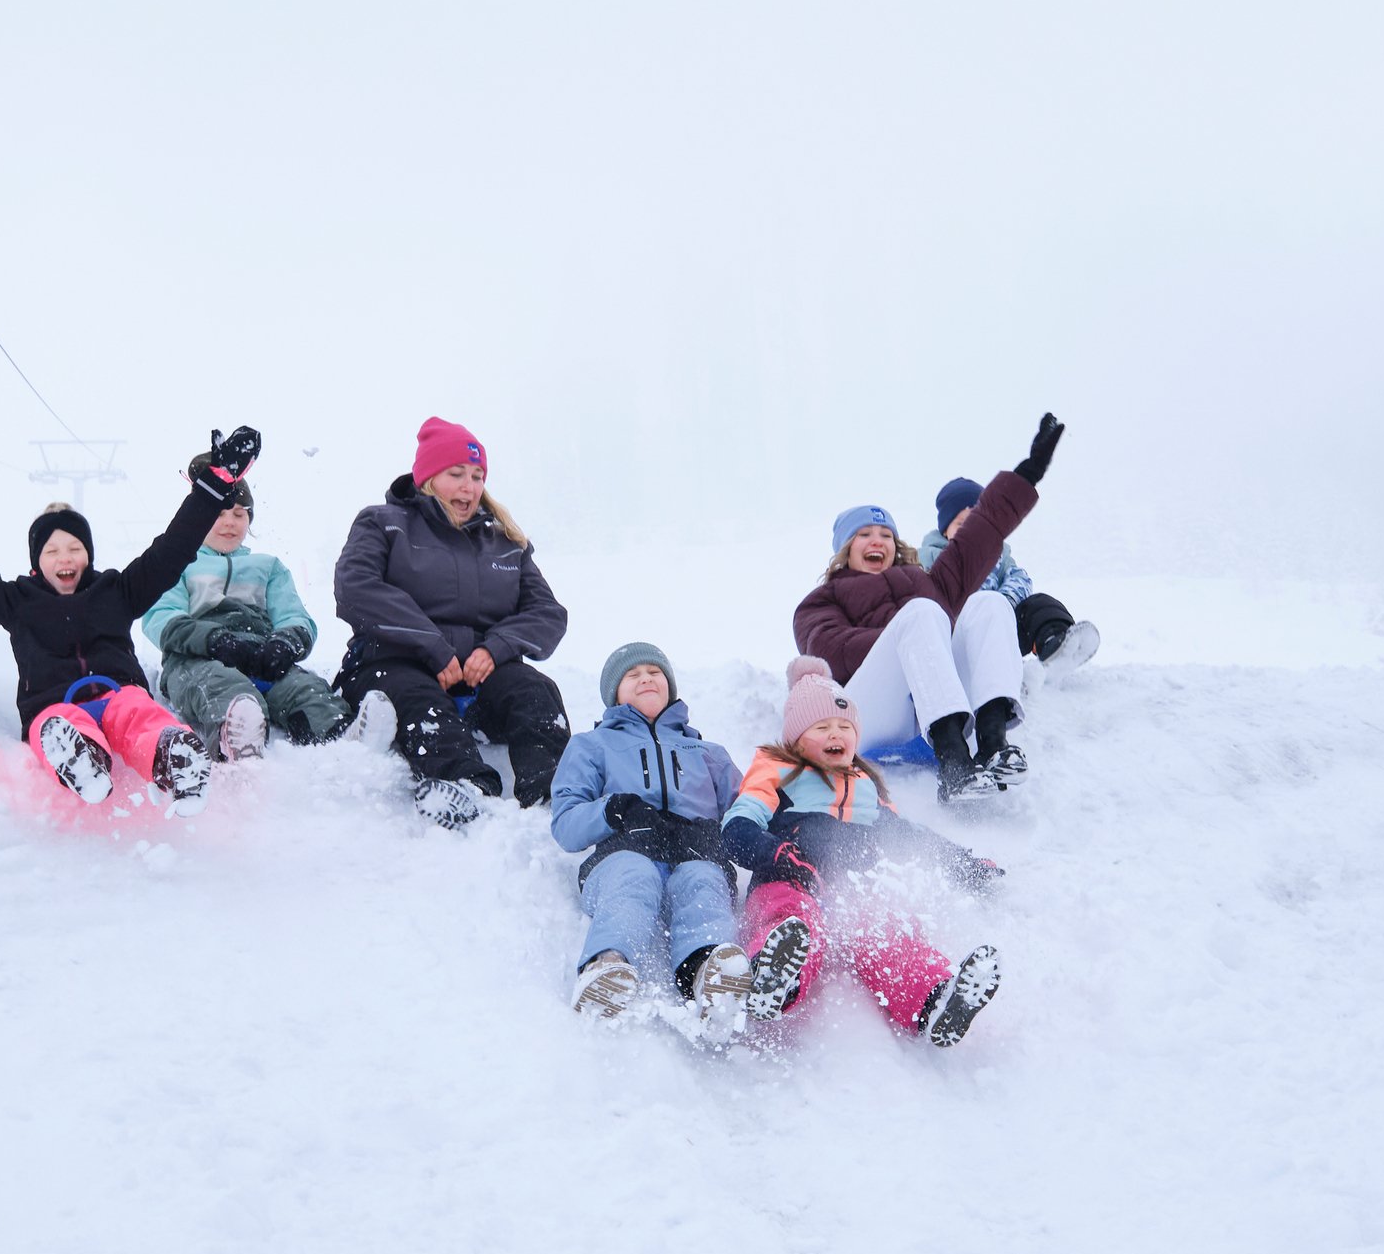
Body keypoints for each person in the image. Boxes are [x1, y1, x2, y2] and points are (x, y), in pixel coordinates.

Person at [0, 429, 260, 803]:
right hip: (53, 706)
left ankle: (174, 759)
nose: (65, 558)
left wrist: (212, 488)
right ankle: (81, 760)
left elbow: (173, 548)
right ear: (36, 563)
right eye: (52, 551)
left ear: (89, 555)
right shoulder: (15, 601)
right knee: (59, 724)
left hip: (119, 693)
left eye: (75, 548)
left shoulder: (118, 591)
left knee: (137, 711)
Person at [719, 658, 1003, 1048]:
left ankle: (936, 1001)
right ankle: (774, 979)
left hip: (852, 888)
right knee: (790, 918)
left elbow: (907, 837)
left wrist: (964, 864)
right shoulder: (778, 768)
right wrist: (779, 855)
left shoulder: (865, 784)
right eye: (822, 727)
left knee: (887, 931)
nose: (836, 734)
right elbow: (739, 824)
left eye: (845, 727)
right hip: (792, 874)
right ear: (796, 738)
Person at [798, 412, 1064, 801]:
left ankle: (992, 743)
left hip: (939, 700)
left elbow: (982, 530)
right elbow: (830, 652)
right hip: (872, 714)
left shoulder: (926, 581)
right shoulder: (820, 601)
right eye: (865, 534)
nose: (878, 541)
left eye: (886, 534)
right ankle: (953, 763)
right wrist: (914, 638)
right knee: (923, 614)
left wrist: (1027, 474)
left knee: (988, 602)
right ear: (845, 548)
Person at [332, 416, 572, 824]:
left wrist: (496, 649)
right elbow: (356, 588)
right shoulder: (383, 523)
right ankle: (467, 788)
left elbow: (547, 613)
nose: (470, 486)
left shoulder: (505, 541)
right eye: (457, 474)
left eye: (478, 476)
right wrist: (433, 647)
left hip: (481, 673)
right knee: (421, 702)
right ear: (427, 477)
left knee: (536, 693)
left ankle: (552, 794)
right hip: (393, 661)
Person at [545, 641, 753, 1022]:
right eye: (633, 674)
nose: (646, 678)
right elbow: (566, 825)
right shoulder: (593, 746)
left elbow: (747, 811)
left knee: (704, 882)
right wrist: (614, 810)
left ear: (670, 685)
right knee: (633, 880)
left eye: (655, 672)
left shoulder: (707, 752)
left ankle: (710, 975)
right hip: (624, 853)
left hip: (696, 852)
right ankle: (605, 965)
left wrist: (717, 834)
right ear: (614, 693)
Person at [138, 451, 345, 757]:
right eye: (218, 513)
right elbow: (160, 617)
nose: (229, 523)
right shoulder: (179, 563)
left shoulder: (267, 566)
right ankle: (234, 739)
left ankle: (340, 738)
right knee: (223, 687)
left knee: (303, 688)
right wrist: (213, 640)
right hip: (195, 659)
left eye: (239, 513)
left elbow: (293, 615)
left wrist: (285, 644)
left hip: (259, 653)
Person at [921, 477, 1096, 671]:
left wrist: (1003, 603)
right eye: (961, 525)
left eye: (977, 523)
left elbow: (1018, 577)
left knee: (1038, 605)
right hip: (960, 636)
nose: (971, 531)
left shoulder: (999, 554)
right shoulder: (934, 556)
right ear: (946, 532)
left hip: (1001, 631)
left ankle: (1055, 644)